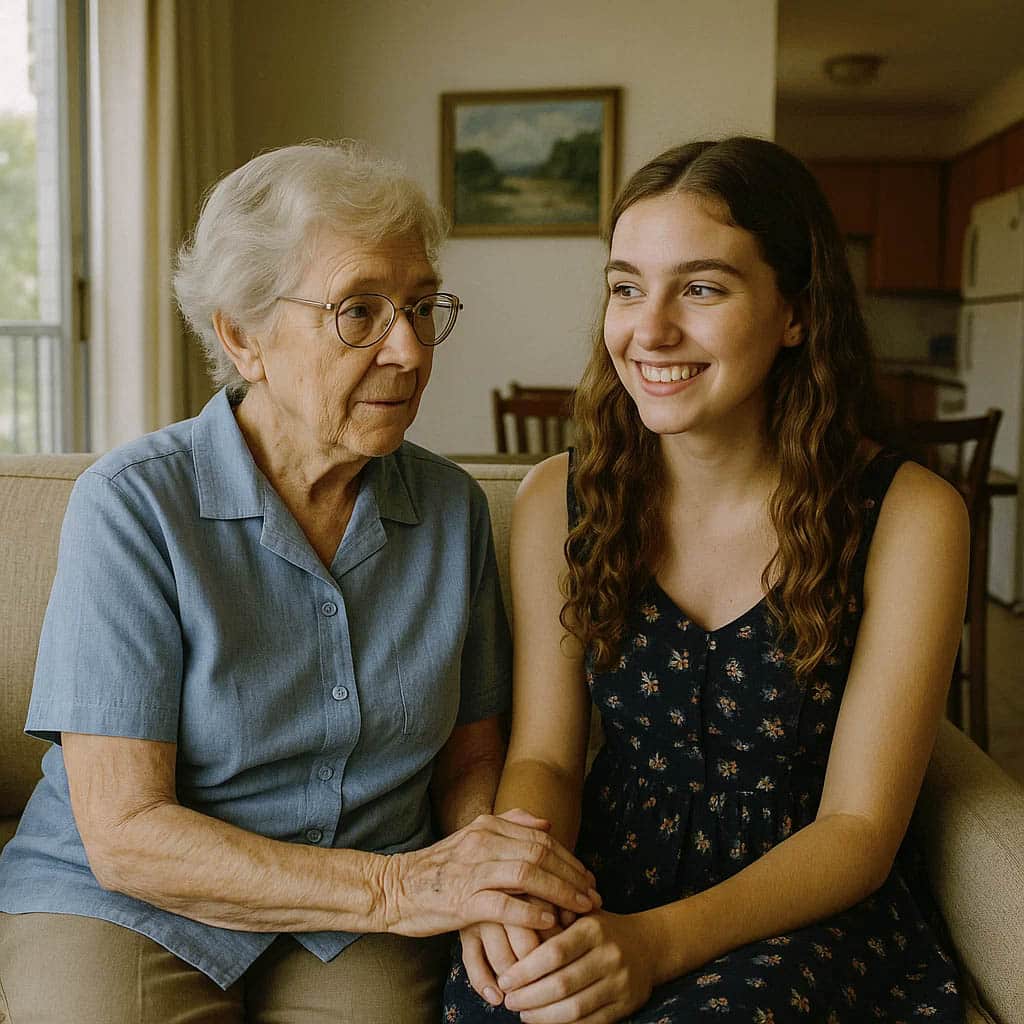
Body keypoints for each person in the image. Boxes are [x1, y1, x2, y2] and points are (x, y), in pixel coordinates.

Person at [0, 141, 599, 1024]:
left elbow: (471, 755)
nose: (409, 350)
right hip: (133, 901)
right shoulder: (134, 507)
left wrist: (486, 880)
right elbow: (126, 833)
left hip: (357, 914)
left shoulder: (451, 510)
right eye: (359, 311)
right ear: (243, 337)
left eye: (421, 306)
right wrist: (401, 890)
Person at [443, 137, 968, 1023]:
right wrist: (520, 891)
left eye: (701, 288)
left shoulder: (910, 515)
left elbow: (860, 830)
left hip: (802, 902)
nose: (649, 331)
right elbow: (545, 759)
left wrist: (653, 945)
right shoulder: (556, 500)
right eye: (626, 288)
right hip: (602, 872)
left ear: (796, 312)